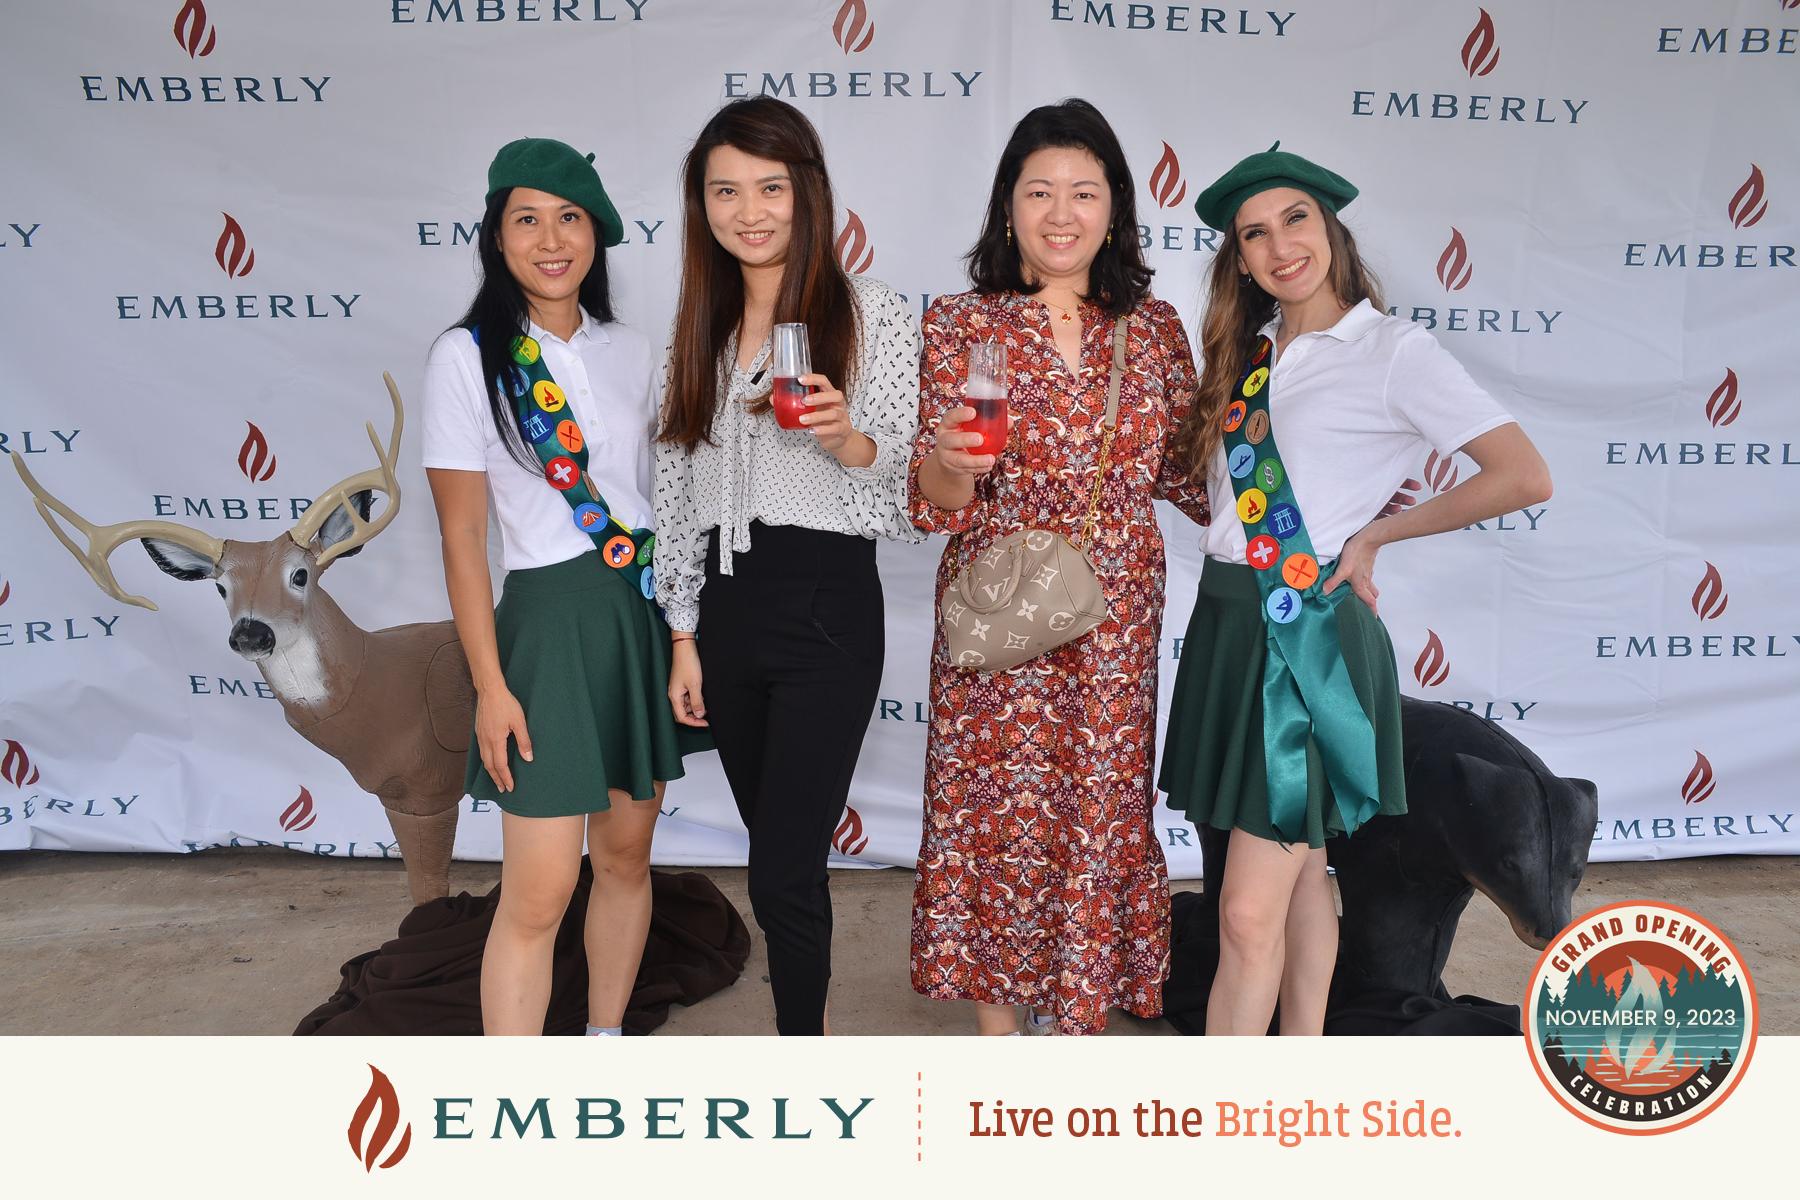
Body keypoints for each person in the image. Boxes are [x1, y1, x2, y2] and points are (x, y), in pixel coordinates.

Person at [1160, 143, 1554, 1035]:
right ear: (1240, 256)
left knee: (1244, 915)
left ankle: (1220, 1129)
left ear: (1331, 229)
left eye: (1294, 218)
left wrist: (1379, 533)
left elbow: (1523, 474)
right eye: (1253, 233)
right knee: (1300, 880)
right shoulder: (1253, 353)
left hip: (1305, 645)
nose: (1277, 245)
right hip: (1230, 627)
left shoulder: (1390, 349)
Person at [908, 99, 1210, 1036]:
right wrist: (954, 463)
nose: (1061, 211)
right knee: (993, 807)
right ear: (1008, 209)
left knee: (1096, 804)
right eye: (1039, 191)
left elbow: (1193, 476)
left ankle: (1074, 1016)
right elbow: (932, 499)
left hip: (1113, 616)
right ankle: (1001, 1033)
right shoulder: (962, 323)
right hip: (998, 605)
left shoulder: (1154, 329)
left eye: (1084, 191)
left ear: (1115, 208)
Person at [422, 139, 708, 1036]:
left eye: (570, 217)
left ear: (597, 236)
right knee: (538, 892)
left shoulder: (634, 351)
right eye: (527, 218)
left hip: (636, 617)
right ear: (496, 238)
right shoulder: (468, 358)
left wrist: (680, 637)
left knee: (626, 859)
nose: (551, 239)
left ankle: (604, 1042)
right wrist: (492, 687)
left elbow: (669, 497)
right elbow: (464, 539)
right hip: (544, 630)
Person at [654, 97, 922, 1036]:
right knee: (775, 852)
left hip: (827, 609)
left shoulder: (872, 316)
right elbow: (674, 496)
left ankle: (803, 1059)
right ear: (703, 207)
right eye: (725, 191)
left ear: (808, 194)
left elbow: (910, 496)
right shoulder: (700, 333)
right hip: (725, 619)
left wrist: (847, 437)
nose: (749, 209)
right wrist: (682, 634)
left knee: (784, 867)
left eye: (770, 186)